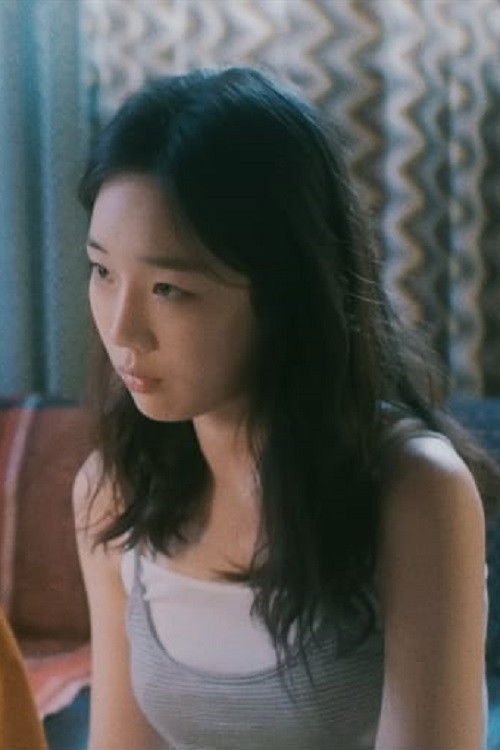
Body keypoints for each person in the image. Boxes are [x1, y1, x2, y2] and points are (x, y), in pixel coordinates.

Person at [72, 66, 496, 750]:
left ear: (284, 291)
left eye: (169, 289)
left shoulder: (415, 490)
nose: (122, 330)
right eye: (102, 271)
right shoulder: (113, 488)